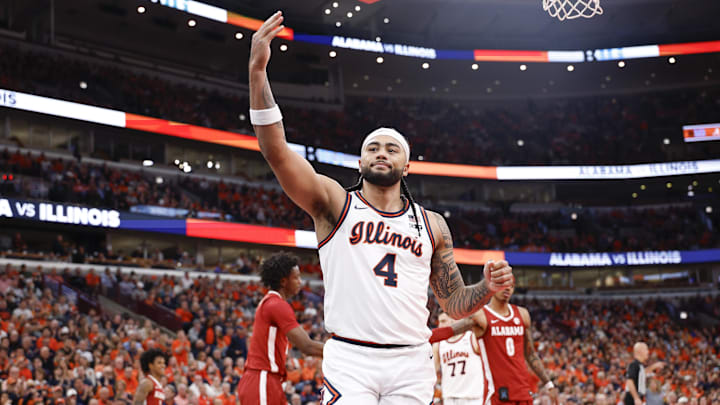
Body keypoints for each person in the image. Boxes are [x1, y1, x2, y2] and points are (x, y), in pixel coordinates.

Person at [249, 12, 514, 404]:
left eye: (392, 149)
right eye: (372, 148)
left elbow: (454, 302)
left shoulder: (433, 224)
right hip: (350, 357)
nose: (381, 153)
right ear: (360, 163)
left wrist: (485, 288)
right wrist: (257, 73)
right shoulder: (335, 204)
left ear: (406, 166)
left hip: (411, 361)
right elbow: (277, 152)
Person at [236, 252, 324, 405]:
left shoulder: (271, 302)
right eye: (296, 277)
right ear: (284, 281)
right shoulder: (276, 304)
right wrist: (344, 352)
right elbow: (307, 346)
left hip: (268, 379)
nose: (300, 282)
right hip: (262, 379)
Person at [471, 281, 556, 405]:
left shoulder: (522, 314)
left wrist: (549, 384)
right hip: (497, 391)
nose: (507, 288)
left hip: (522, 390)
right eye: (503, 284)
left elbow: (530, 354)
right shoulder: (480, 316)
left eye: (511, 285)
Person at [433, 312, 488, 405]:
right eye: (440, 322)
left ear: (453, 321)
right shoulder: (438, 345)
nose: (440, 325)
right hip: (449, 398)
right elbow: (433, 373)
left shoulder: (472, 337)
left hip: (473, 398)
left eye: (443, 321)